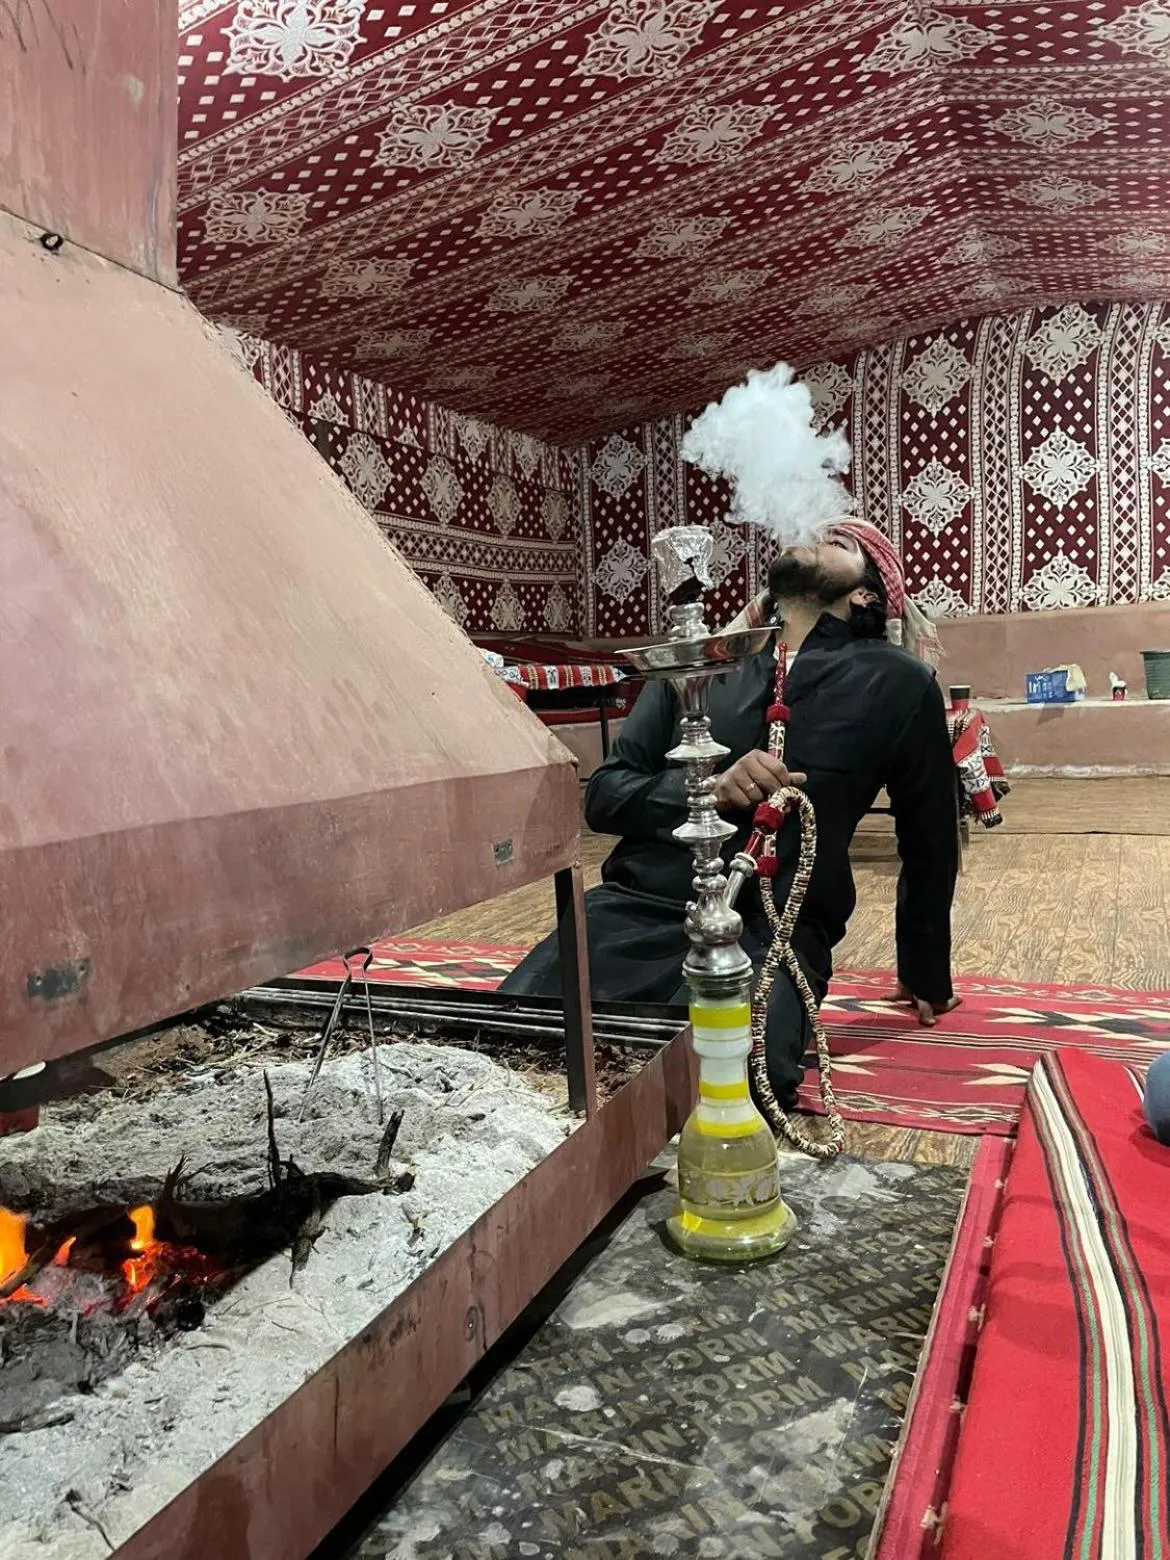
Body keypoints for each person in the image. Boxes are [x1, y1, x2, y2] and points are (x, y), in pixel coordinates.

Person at [500, 519, 960, 1110]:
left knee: (735, 1085)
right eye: (815, 530)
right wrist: (704, 792)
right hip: (634, 910)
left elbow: (928, 836)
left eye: (839, 543)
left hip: (773, 931)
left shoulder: (898, 682)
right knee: (506, 1041)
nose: (814, 537)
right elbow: (606, 794)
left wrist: (925, 972)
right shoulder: (699, 663)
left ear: (867, 593)